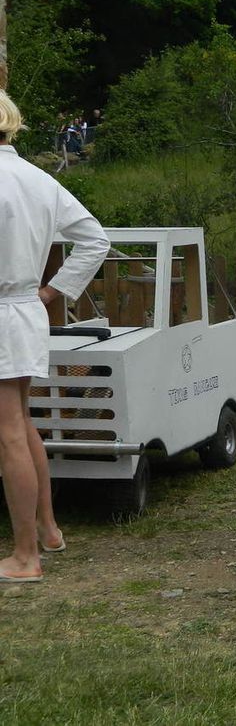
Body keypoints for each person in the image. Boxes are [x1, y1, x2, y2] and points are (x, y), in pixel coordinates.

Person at [0, 90, 110, 582]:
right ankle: (47, 530)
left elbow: (94, 242)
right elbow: (95, 239)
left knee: (9, 436)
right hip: (23, 310)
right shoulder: (38, 178)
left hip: (8, 311)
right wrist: (51, 292)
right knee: (21, 424)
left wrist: (51, 291)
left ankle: (26, 558)